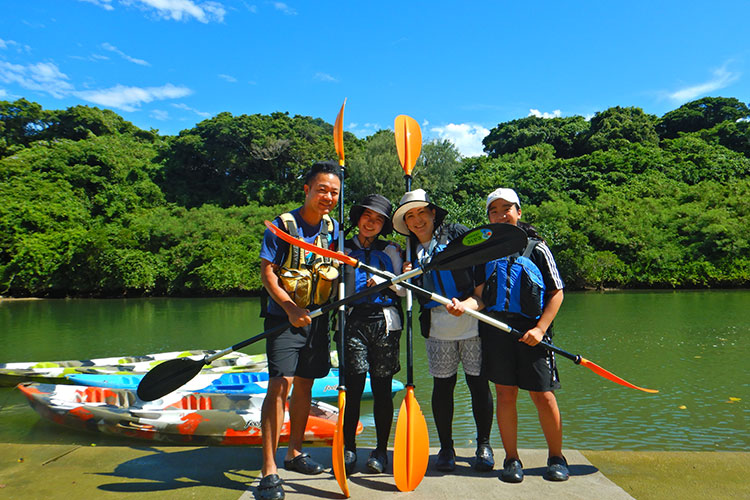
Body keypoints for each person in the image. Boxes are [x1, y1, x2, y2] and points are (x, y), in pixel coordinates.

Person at [446, 187, 568, 483]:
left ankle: (556, 456)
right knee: (505, 394)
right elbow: (481, 298)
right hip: (497, 332)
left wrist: (540, 329)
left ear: (518, 212)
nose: (501, 215)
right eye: (494, 211)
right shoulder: (484, 254)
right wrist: (463, 306)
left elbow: (557, 293)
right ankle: (511, 458)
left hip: (533, 333)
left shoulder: (537, 248)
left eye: (506, 209)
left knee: (543, 395)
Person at [393, 188, 494, 473]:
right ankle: (446, 447)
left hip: (472, 322)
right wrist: (405, 273)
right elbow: (403, 289)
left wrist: (468, 303)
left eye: (421, 212)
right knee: (443, 387)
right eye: (410, 216)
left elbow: (481, 281)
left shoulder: (458, 235)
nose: (417, 220)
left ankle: (483, 445)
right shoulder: (409, 250)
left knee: (477, 384)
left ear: (433, 213)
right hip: (437, 327)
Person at [257, 161, 341, 500]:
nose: (328, 197)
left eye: (334, 192)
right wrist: (290, 308)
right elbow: (268, 273)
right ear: (306, 190)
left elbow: (335, 264)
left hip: (318, 318)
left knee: (306, 382)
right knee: (280, 385)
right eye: (322, 189)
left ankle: (293, 453)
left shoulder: (333, 228)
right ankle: (269, 470)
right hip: (283, 318)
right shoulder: (281, 226)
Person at [340, 194, 405, 475]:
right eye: (367, 216)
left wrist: (385, 281)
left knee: (381, 390)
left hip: (385, 324)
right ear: (358, 219)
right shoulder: (341, 247)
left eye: (378, 219)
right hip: (353, 322)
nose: (371, 223)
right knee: (353, 390)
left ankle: (380, 450)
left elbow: (404, 290)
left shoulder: (391, 250)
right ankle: (349, 447)